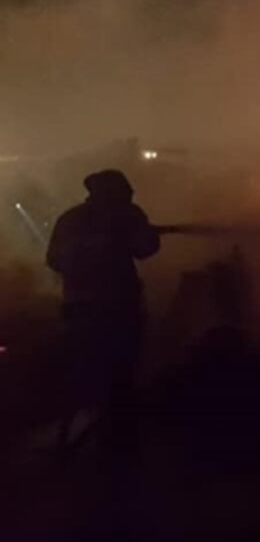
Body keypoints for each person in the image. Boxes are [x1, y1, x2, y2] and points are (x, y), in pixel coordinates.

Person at [47, 169, 160, 451]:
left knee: (90, 369)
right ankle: (114, 435)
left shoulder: (72, 218)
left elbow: (54, 259)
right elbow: (146, 248)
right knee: (117, 370)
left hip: (85, 306)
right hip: (113, 307)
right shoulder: (122, 215)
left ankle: (83, 429)